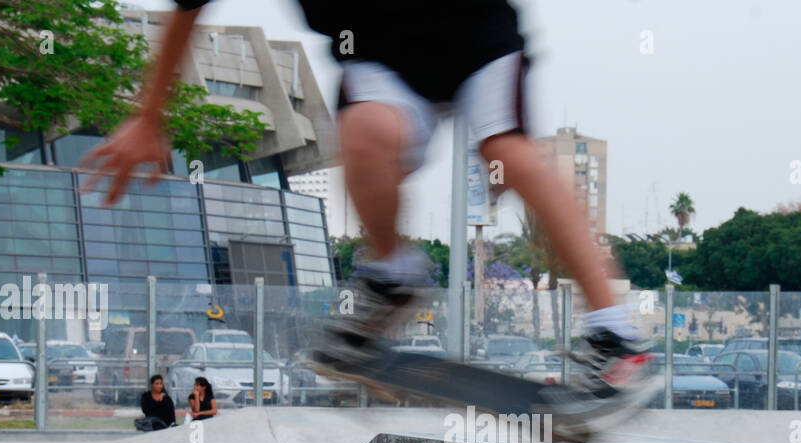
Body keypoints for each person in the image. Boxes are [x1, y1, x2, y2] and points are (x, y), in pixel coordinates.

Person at [81, 0, 655, 410]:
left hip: (475, 38)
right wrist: (149, 114)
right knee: (362, 135)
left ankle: (615, 334)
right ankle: (394, 274)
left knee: (506, 148)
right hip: (381, 63)